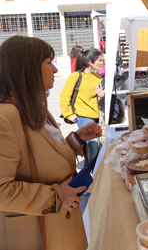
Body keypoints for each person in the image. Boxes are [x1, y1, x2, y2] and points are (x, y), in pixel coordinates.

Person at [0, 35, 102, 249]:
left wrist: (75, 140)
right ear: (27, 69)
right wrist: (57, 195)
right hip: (36, 237)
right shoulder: (5, 117)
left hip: (59, 229)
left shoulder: (35, 108)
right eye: (48, 63)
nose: (55, 70)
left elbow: (41, 157)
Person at [60, 48, 105, 173]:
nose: (102, 63)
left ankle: (94, 178)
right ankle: (84, 181)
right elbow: (64, 96)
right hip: (85, 118)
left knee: (97, 150)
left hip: (98, 117)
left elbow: (101, 96)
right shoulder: (76, 76)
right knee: (93, 148)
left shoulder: (97, 76)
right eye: (100, 60)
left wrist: (102, 96)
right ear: (90, 62)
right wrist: (68, 114)